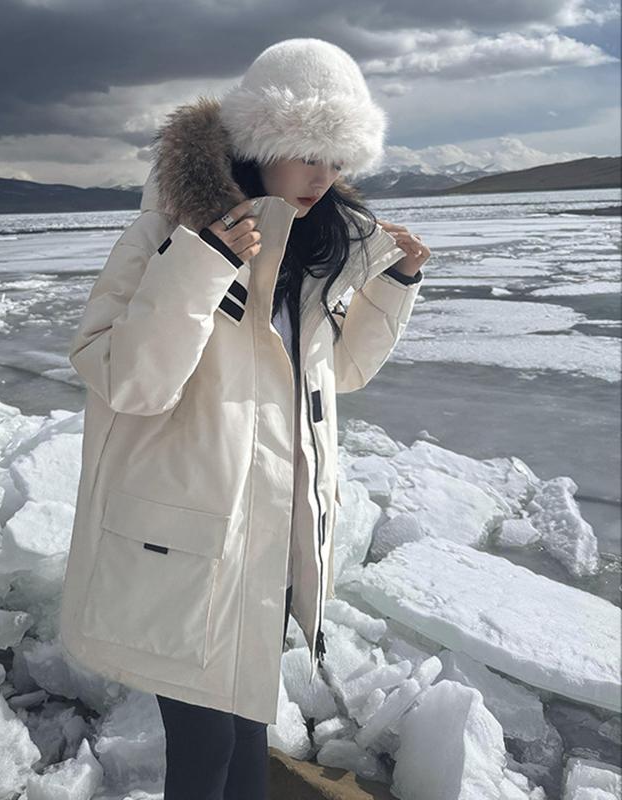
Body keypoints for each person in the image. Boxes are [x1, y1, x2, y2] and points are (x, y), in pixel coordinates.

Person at [59, 37, 430, 800]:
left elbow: (343, 373)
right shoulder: (167, 230)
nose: (321, 175)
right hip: (184, 541)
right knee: (207, 748)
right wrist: (199, 265)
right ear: (257, 142)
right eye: (302, 150)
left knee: (247, 732)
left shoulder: (323, 249)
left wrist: (394, 282)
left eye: (336, 157)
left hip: (267, 539)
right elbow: (126, 380)